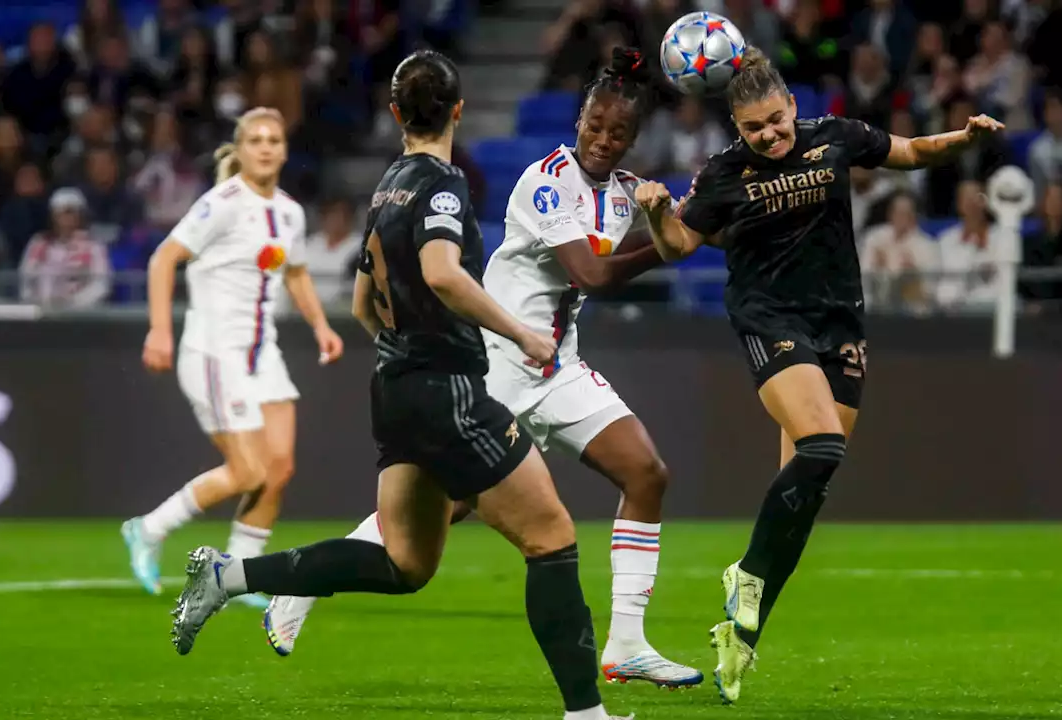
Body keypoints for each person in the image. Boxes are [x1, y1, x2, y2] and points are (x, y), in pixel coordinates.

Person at [168, 50, 633, 720]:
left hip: (394, 389)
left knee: (406, 563)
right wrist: (520, 333)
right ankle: (586, 715)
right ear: (458, 111)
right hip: (448, 389)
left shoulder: (387, 186)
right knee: (552, 536)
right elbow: (443, 272)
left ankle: (227, 576)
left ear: (395, 114)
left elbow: (361, 302)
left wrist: (403, 354)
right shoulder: (441, 186)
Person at [262, 47, 701, 689]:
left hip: (558, 366)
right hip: (501, 364)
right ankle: (303, 586)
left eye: (619, 134)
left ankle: (627, 644)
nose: (604, 141)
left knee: (647, 473)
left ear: (634, 138)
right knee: (444, 509)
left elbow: (680, 246)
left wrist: (662, 214)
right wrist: (653, 248)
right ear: (577, 121)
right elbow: (593, 274)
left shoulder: (624, 193)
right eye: (594, 127)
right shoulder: (545, 180)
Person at [634, 47, 1004, 704]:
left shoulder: (836, 138)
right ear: (737, 129)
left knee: (807, 491)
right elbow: (678, 247)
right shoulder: (723, 174)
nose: (769, 136)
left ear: (792, 109)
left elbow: (914, 152)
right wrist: (659, 213)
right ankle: (745, 573)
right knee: (822, 444)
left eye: (775, 121)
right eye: (754, 129)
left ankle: (741, 635)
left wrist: (964, 139)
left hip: (840, 324)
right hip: (768, 316)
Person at [123, 106, 344, 609]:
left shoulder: (289, 211)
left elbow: (296, 273)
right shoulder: (221, 202)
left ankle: (237, 575)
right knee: (248, 471)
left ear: (284, 150)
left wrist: (320, 325)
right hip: (214, 351)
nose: (266, 147)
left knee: (280, 467)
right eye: (256, 140)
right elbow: (163, 258)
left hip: (262, 354)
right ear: (241, 150)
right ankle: (148, 528)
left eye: (274, 139)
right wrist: (160, 331)